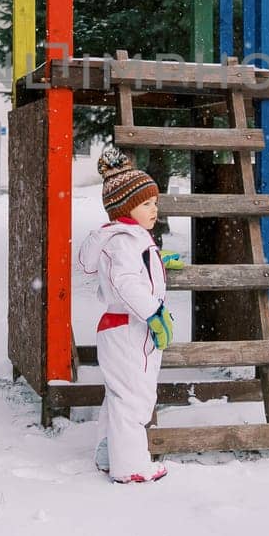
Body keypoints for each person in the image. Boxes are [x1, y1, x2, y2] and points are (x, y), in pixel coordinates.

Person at [76, 149, 179, 484]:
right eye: (147, 203)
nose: (155, 209)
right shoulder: (124, 242)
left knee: (120, 395)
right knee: (135, 398)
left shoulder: (128, 239)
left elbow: (137, 268)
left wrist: (160, 260)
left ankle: (109, 452)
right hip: (130, 327)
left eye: (155, 202)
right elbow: (126, 282)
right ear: (125, 208)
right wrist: (155, 314)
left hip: (120, 328)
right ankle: (132, 466)